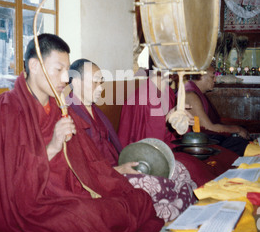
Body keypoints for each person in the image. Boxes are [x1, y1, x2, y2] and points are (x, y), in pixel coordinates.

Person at [0, 34, 164, 232]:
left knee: (136, 199)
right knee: (83, 219)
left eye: (67, 69)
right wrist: (52, 145)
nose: (65, 77)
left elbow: (88, 161)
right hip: (27, 206)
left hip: (67, 192)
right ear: (34, 66)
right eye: (59, 69)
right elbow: (9, 183)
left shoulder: (59, 108)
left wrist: (110, 178)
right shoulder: (5, 109)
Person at [67, 59, 202, 222]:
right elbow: (81, 168)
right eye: (95, 82)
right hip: (103, 179)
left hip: (118, 166)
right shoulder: (70, 116)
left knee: (179, 170)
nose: (101, 88)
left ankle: (181, 212)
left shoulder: (94, 110)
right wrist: (118, 170)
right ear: (75, 82)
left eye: (102, 82)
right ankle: (169, 215)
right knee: (158, 184)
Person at [117, 69, 239, 179]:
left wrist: (181, 121)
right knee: (197, 168)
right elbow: (149, 144)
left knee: (218, 155)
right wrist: (167, 121)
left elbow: (175, 134)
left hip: (170, 149)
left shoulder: (167, 91)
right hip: (149, 158)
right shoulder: (145, 95)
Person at [184, 66, 251, 155]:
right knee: (240, 144)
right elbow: (208, 127)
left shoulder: (198, 93)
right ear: (201, 76)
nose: (215, 80)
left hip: (209, 138)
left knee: (241, 141)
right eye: (212, 76)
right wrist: (237, 129)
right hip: (200, 144)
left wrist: (237, 128)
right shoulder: (190, 95)